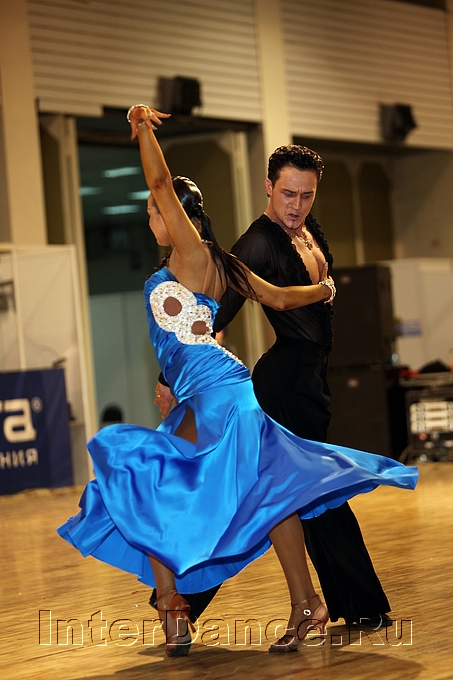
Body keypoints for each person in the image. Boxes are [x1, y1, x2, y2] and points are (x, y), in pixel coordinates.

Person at [58, 108, 417, 658]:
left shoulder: (190, 254)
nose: (151, 217)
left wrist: (143, 128)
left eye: (154, 210)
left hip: (218, 392)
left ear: (176, 214)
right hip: (209, 389)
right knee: (258, 488)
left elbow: (160, 181)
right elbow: (277, 297)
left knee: (146, 474)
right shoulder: (222, 263)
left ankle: (176, 605)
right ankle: (298, 602)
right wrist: (322, 292)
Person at [156, 144, 396, 628]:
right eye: (288, 193)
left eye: (307, 196)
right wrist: (172, 377)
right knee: (316, 490)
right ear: (268, 186)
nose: (296, 205)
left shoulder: (309, 231)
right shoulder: (258, 243)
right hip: (283, 383)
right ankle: (359, 604)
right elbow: (214, 310)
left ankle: (185, 602)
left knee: (269, 495)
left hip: (310, 380)